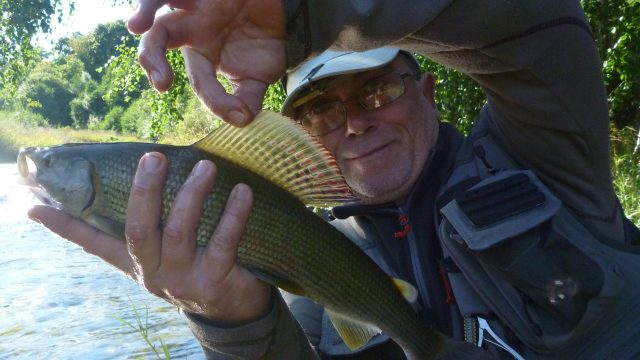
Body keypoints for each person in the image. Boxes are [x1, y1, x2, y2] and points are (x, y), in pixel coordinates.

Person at [28, 0, 640, 359]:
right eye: (319, 110)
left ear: (427, 90)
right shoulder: (313, 266)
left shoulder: (546, 154)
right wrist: (231, 319)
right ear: (298, 132)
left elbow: (538, 20)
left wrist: (303, 8)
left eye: (376, 89)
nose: (352, 125)